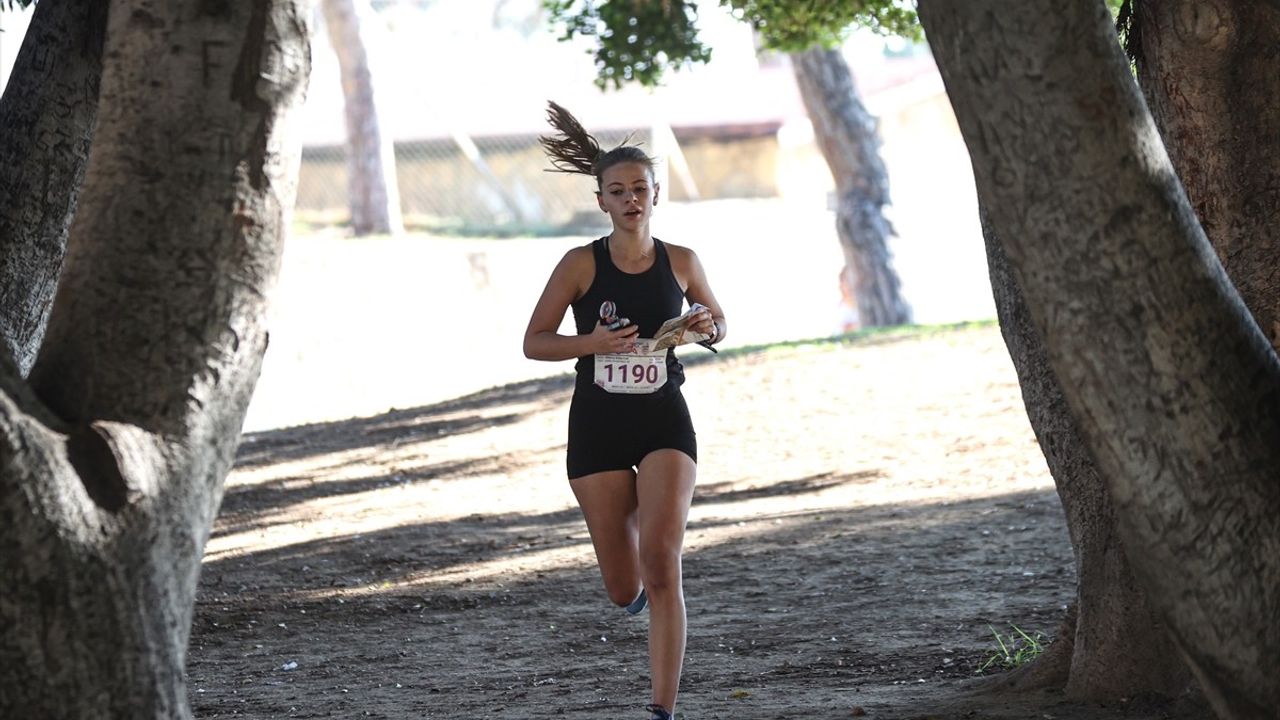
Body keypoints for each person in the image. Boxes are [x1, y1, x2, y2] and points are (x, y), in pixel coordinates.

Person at [523, 101, 727, 720]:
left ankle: (661, 710)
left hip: (664, 421)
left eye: (640, 188)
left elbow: (719, 324)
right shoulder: (581, 263)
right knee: (624, 584)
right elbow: (534, 342)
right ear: (602, 201)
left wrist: (700, 328)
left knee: (663, 562)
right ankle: (633, 581)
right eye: (618, 191)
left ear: (655, 194)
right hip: (598, 427)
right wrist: (594, 343)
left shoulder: (682, 260)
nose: (631, 198)